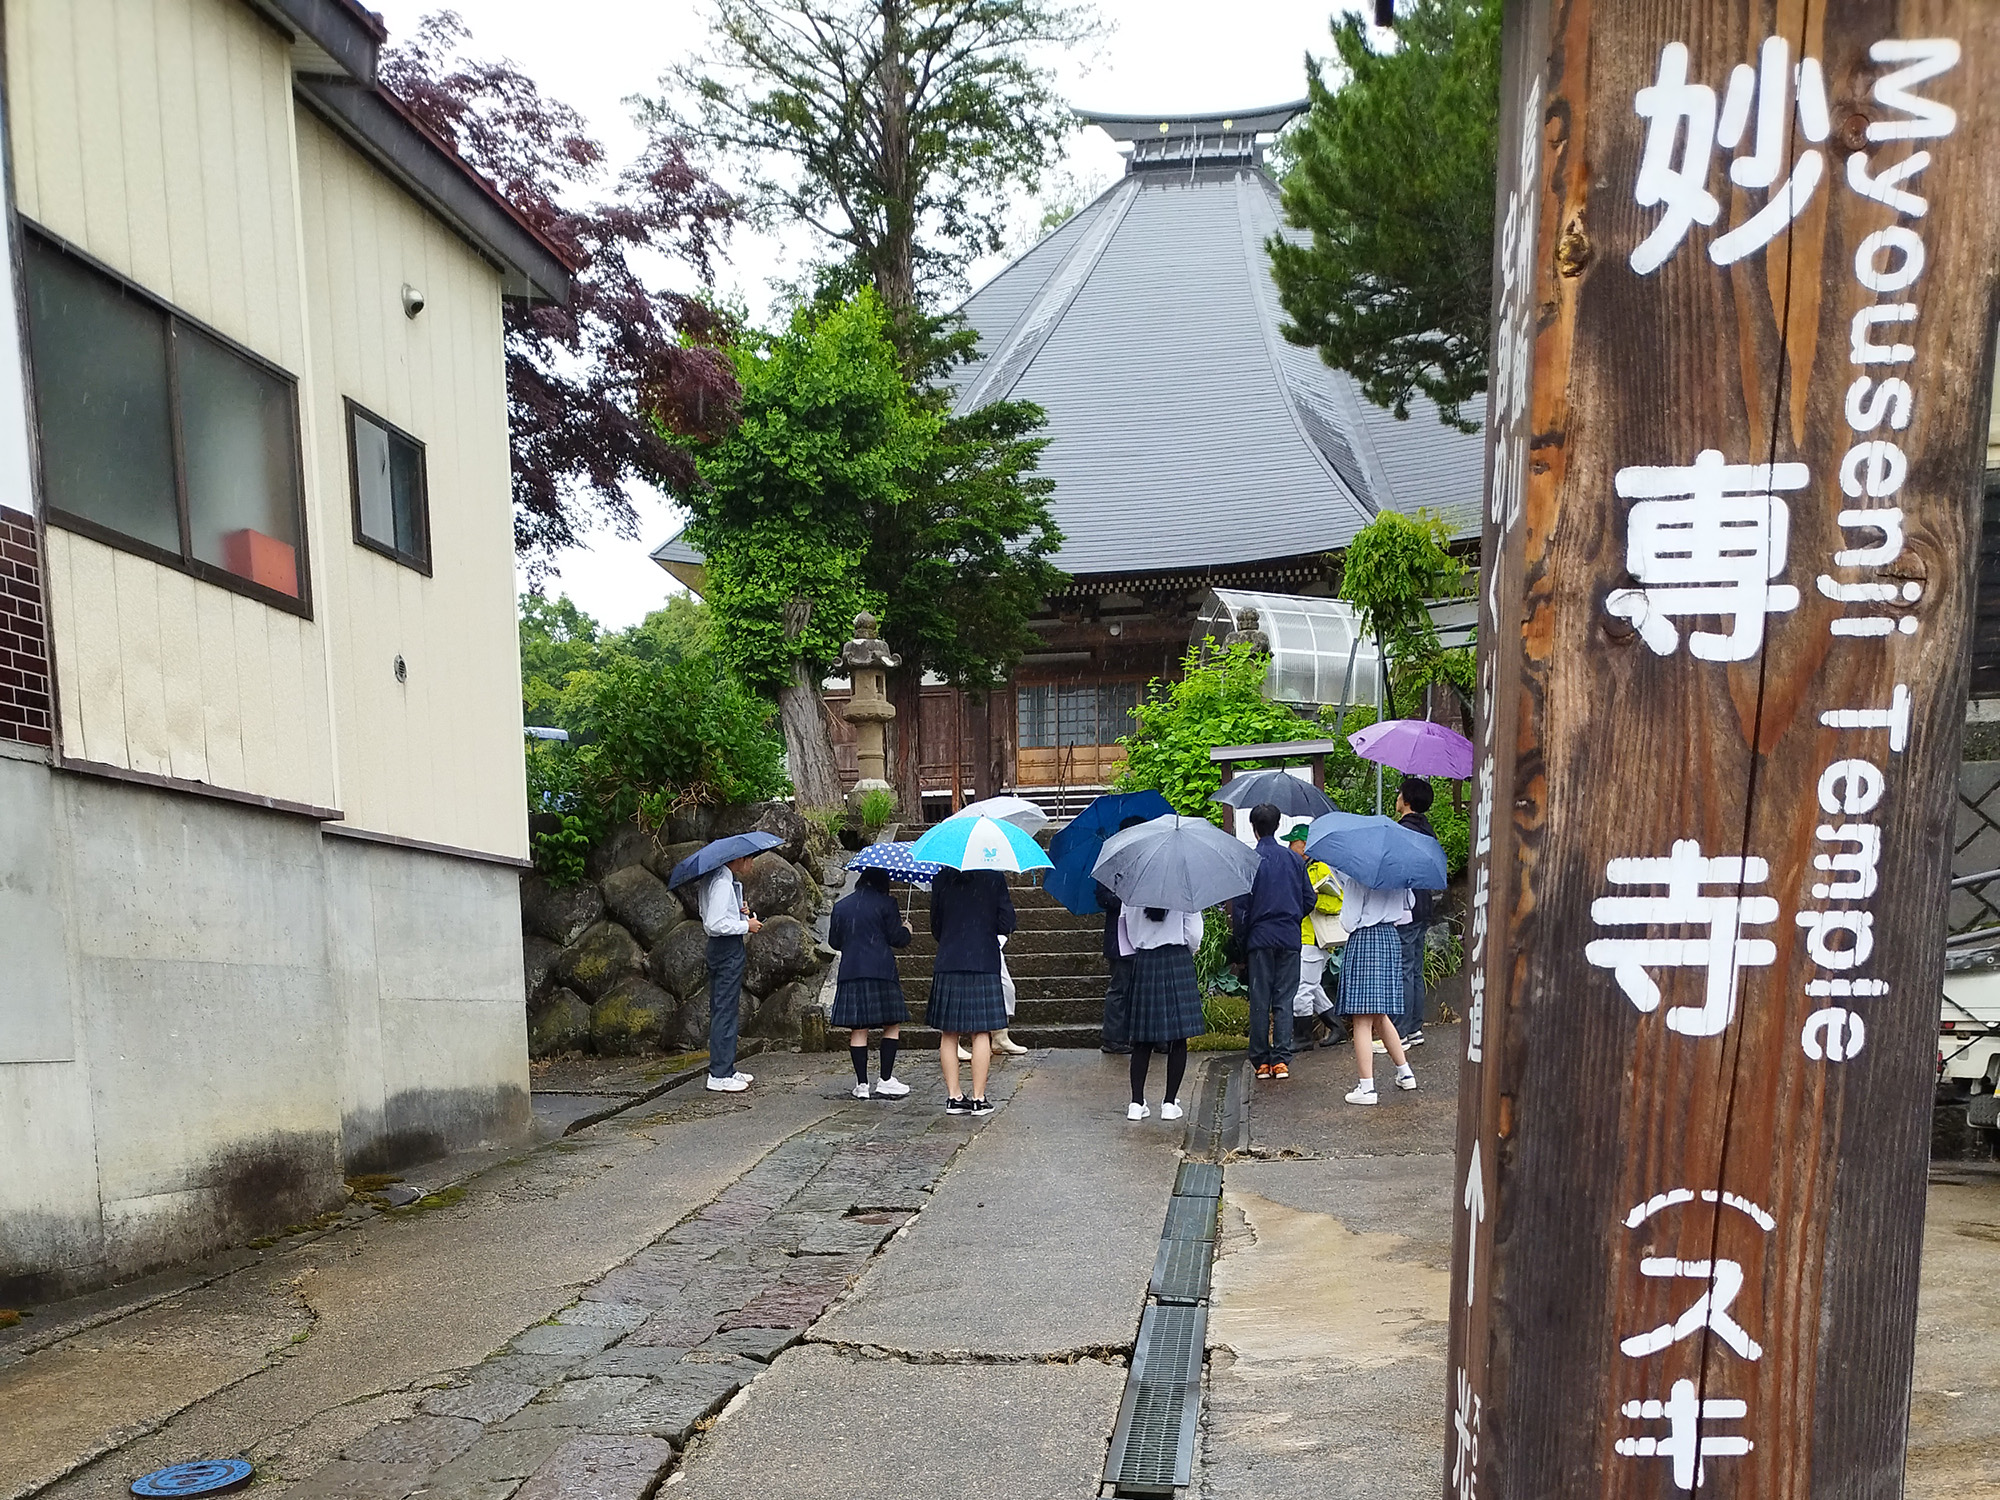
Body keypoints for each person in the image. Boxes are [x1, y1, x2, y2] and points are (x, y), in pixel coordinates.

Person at [928, 867, 1016, 1115]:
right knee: (981, 1032)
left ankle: (954, 1097)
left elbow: (935, 924)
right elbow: (1007, 922)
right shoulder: (994, 877)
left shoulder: (942, 877)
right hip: (983, 961)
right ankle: (978, 1099)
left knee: (948, 1033)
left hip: (949, 959)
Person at [1239, 803, 1314, 1081]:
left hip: (1260, 938)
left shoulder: (1249, 861)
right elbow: (1310, 899)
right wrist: (1292, 917)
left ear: (1254, 828)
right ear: (1278, 826)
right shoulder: (1295, 861)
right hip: (1289, 937)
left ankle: (1261, 1061)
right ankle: (1281, 1059)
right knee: (1285, 998)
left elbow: (1241, 908)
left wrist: (1241, 940)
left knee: (1260, 999)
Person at [827, 867, 914, 1099]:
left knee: (859, 1028)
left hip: (852, 970)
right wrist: (907, 929)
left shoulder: (841, 906)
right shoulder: (887, 903)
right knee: (891, 1025)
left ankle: (862, 1085)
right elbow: (898, 939)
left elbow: (834, 942)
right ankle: (885, 1079)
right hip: (881, 970)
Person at [1334, 869, 1418, 1105]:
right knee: (1379, 1014)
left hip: (1365, 939)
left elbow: (1348, 922)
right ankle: (1405, 1073)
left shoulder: (1358, 877)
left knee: (1361, 1018)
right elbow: (1409, 903)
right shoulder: (1398, 874)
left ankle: (1367, 1087)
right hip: (1390, 937)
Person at [1120, 903, 1204, 1121]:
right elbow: (1194, 933)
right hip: (1176, 958)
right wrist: (1190, 950)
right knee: (1178, 1036)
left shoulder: (1132, 888)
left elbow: (1126, 928)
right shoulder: (1183, 888)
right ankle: (1169, 1103)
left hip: (1144, 960)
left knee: (1142, 1037)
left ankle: (1136, 1103)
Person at [700, 854, 763, 1093]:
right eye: (750, 860)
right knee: (725, 1009)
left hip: (723, 948)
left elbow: (710, 915)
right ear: (739, 859)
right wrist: (745, 925)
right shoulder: (722, 884)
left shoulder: (717, 879)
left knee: (724, 1007)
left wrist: (739, 913)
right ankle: (719, 1073)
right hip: (725, 948)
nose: (752, 864)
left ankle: (726, 1067)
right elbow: (714, 924)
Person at [1284, 824, 1347, 1049]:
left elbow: (1337, 902)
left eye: (1294, 843)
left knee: (1303, 988)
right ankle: (1337, 1027)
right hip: (1303, 936)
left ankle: (1302, 1038)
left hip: (1315, 939)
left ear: (1305, 847)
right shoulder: (1296, 869)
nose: (1290, 847)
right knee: (1312, 985)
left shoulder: (1321, 869)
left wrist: (1312, 899)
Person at [1395, 777, 1442, 1049]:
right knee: (1414, 968)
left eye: (1400, 793)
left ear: (1407, 800)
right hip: (1424, 905)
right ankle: (1414, 1029)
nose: (1397, 797)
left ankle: (1401, 1032)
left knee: (1404, 968)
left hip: (1407, 907)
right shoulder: (1428, 829)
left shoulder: (1404, 831)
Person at [1098, 815, 1149, 1056]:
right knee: (1120, 987)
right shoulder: (1111, 863)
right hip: (1119, 934)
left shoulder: (1149, 861)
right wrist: (1125, 897)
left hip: (1144, 932)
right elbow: (1102, 897)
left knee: (1144, 988)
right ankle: (1113, 1037)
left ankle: (1146, 1036)